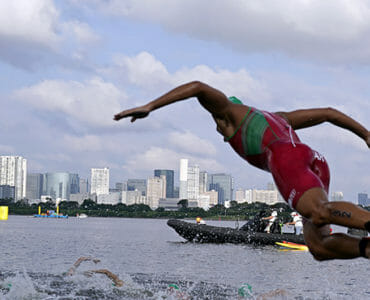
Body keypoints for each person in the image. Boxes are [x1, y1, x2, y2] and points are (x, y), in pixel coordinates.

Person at [114, 81, 370, 260]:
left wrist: (150, 106)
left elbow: (198, 87)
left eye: (216, 122)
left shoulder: (227, 113)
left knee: (320, 212)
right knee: (319, 247)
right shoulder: (279, 116)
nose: (217, 129)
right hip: (314, 160)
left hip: (285, 158)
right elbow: (328, 113)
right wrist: (366, 135)